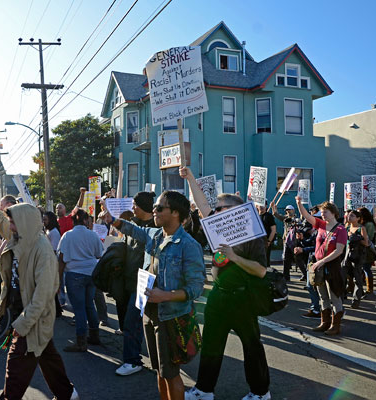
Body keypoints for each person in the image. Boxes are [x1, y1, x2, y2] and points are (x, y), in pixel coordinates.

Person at [0, 185, 78, 400]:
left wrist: (23, 323)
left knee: (16, 365)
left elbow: (43, 295)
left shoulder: (43, 250)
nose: (8, 225)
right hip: (24, 311)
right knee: (47, 356)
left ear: (24, 223)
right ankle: (66, 393)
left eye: (12, 221)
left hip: (32, 317)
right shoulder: (19, 236)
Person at [107, 187, 205, 400]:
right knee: (159, 371)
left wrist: (165, 295)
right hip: (149, 313)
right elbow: (133, 230)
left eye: (159, 208)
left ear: (176, 213)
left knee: (171, 374)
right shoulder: (154, 234)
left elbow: (196, 288)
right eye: (154, 208)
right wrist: (113, 220)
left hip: (170, 316)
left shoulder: (189, 246)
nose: (154, 212)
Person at [182, 165, 270, 400]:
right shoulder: (218, 228)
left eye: (221, 208)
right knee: (211, 344)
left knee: (252, 347)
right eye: (217, 208)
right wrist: (190, 177)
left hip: (243, 298)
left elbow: (261, 271)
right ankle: (204, 390)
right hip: (219, 296)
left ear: (236, 210)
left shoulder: (254, 234)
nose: (217, 211)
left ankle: (260, 393)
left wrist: (235, 257)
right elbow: (203, 207)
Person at [113, 191, 157, 377]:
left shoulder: (154, 229)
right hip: (128, 279)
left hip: (144, 282)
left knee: (134, 322)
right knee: (137, 323)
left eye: (135, 205)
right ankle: (157, 361)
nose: (132, 208)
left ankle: (133, 361)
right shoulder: (134, 224)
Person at [295, 197, 347, 336]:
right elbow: (307, 216)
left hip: (332, 266)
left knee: (334, 296)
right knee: (322, 296)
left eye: (326, 212)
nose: (323, 214)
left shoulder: (341, 229)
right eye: (322, 212)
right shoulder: (321, 225)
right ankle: (324, 323)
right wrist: (299, 204)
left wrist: (322, 261)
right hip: (319, 265)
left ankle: (335, 326)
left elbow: (339, 250)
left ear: (334, 213)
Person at [58, 209, 105, 352]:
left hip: (74, 274)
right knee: (89, 305)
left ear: (72, 221)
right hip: (91, 273)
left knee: (79, 309)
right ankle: (94, 335)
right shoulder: (93, 235)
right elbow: (99, 254)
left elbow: (61, 258)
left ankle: (81, 341)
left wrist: (58, 278)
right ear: (85, 220)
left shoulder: (67, 236)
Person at [344, 210, 368, 309]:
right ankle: (342, 295)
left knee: (357, 278)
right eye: (349, 215)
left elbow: (366, 243)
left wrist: (356, 238)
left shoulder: (361, 228)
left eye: (352, 216)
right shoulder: (347, 227)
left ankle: (356, 300)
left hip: (358, 255)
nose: (350, 217)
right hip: (347, 254)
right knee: (343, 274)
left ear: (358, 218)